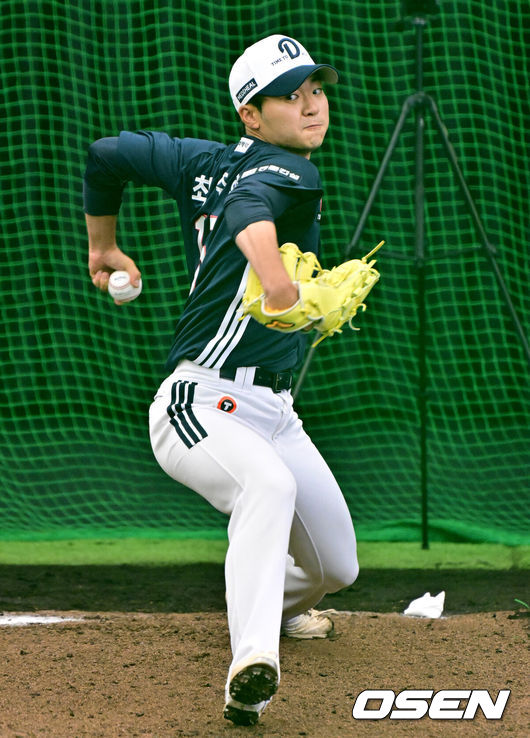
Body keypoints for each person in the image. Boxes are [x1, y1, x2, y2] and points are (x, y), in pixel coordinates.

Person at [83, 34, 359, 726]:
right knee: (269, 488)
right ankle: (251, 666)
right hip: (200, 401)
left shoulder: (198, 161)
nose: (312, 104)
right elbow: (247, 210)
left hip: (273, 409)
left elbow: (106, 154)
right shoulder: (289, 170)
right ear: (251, 114)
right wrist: (275, 280)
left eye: (316, 89)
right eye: (290, 95)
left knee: (335, 569)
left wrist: (103, 245)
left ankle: (269, 602)